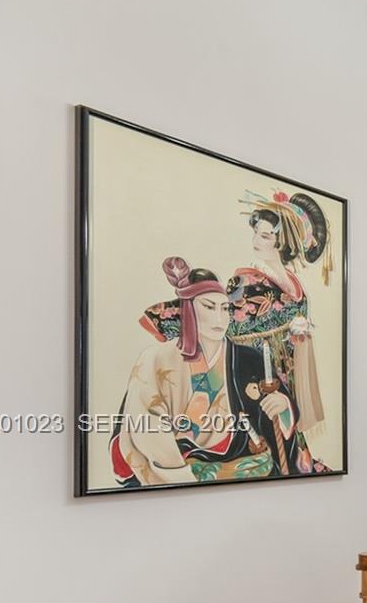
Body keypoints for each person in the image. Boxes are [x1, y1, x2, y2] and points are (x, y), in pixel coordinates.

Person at [112, 256, 309, 486]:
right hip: (176, 466)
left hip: (244, 463)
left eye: (225, 308)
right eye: (209, 307)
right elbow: (144, 424)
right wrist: (179, 476)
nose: (219, 318)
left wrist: (283, 407)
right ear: (188, 310)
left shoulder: (249, 358)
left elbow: (276, 420)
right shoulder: (155, 360)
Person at [224, 190, 334, 473]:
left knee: (293, 440)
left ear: (282, 242)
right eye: (256, 233)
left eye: (265, 236)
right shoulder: (246, 281)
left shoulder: (291, 280)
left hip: (289, 366)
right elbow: (234, 338)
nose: (256, 241)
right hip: (259, 373)